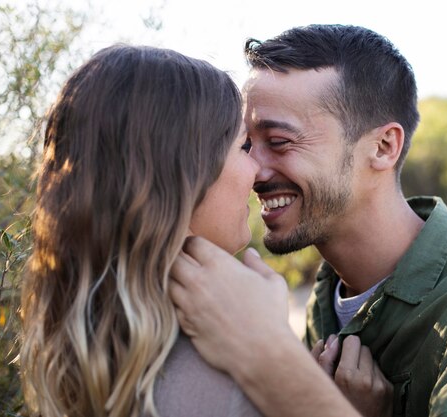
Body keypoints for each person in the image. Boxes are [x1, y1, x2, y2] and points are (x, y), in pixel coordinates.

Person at [170, 24, 447, 417]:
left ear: (383, 146)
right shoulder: (329, 294)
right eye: (247, 144)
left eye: (280, 142)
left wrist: (269, 357)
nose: (253, 169)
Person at [19, 44, 361, 417]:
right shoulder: (226, 388)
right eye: (242, 146)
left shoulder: (94, 348)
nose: (257, 172)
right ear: (181, 177)